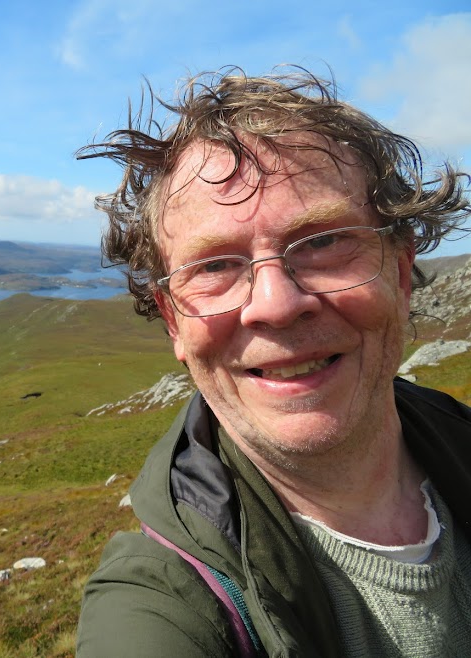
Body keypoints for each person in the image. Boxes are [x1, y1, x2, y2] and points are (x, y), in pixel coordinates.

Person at [75, 66, 471, 657]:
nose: (276, 305)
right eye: (213, 266)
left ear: (399, 272)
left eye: (322, 241)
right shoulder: (161, 605)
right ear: (173, 320)